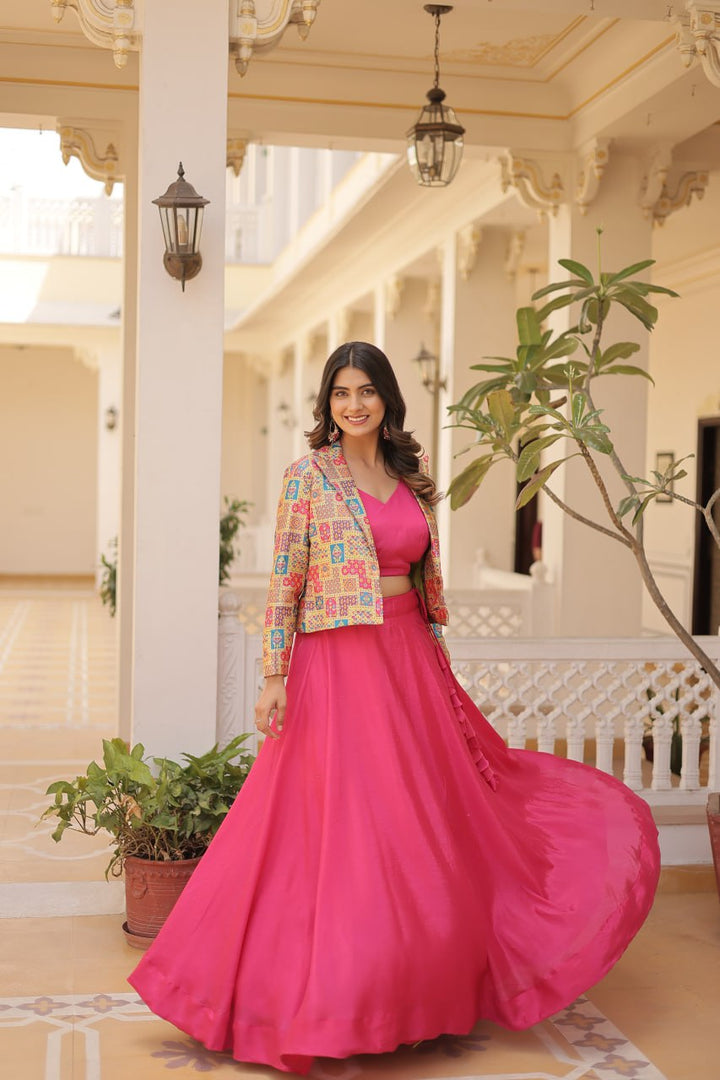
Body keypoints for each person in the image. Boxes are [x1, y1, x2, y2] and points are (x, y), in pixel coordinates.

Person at [128, 341, 660, 1076]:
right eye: (342, 392)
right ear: (327, 402)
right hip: (338, 662)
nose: (354, 404)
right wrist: (274, 674)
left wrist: (434, 662)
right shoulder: (307, 479)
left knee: (431, 818)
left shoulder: (410, 477)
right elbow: (284, 583)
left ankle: (415, 991)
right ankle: (332, 998)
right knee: (342, 826)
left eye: (367, 391)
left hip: (409, 658)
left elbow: (421, 573)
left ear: (387, 399)